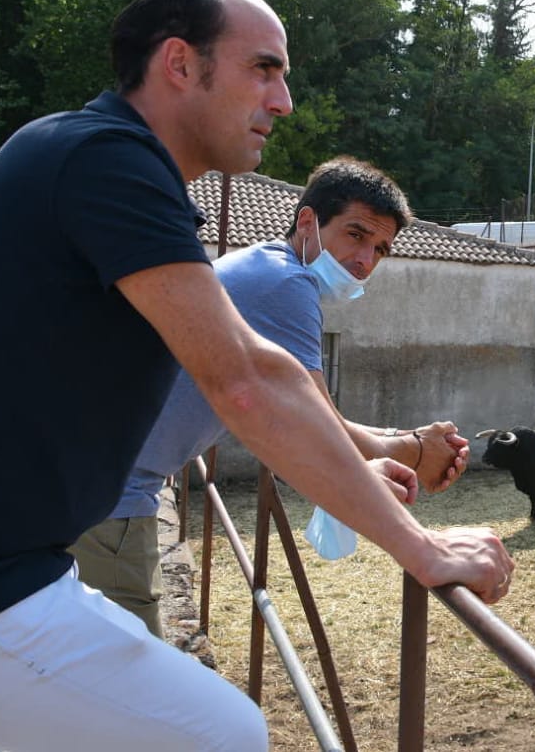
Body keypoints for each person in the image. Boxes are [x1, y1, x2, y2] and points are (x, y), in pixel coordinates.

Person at [0, 0, 514, 751]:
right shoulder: (111, 162)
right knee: (223, 734)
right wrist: (421, 547)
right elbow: (246, 381)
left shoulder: (73, 149)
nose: (282, 102)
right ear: (180, 63)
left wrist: (353, 469)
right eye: (264, 69)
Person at [71, 155, 469, 636]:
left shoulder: (264, 265)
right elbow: (317, 426)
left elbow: (317, 416)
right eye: (356, 234)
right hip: (111, 497)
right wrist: (415, 451)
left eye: (381, 250)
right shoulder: (286, 285)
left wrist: (409, 441)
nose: (365, 261)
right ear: (308, 222)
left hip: (96, 480)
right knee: (125, 689)